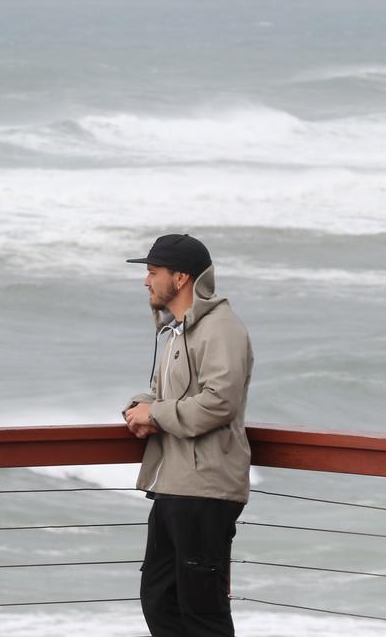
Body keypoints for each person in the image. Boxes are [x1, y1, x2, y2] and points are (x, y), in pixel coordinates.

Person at [122, 233, 253, 637]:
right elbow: (168, 396)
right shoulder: (179, 331)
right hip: (173, 484)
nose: (146, 281)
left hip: (206, 489)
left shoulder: (221, 330)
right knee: (160, 599)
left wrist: (156, 415)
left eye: (152, 272)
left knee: (202, 611)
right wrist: (136, 408)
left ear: (180, 278)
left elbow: (219, 403)